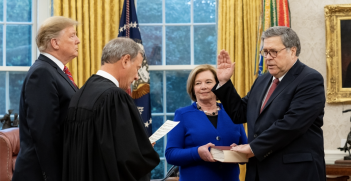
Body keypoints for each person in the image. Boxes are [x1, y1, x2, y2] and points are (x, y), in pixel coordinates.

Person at [213, 26, 326, 181]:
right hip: (258, 172)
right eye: (265, 52)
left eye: (273, 51)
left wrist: (252, 148)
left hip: (295, 173)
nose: (267, 57)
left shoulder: (310, 79)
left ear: (292, 51)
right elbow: (239, 113)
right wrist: (224, 82)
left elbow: (292, 124)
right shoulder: (262, 80)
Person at [62, 37, 160, 181]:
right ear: (125, 60)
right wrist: (143, 149)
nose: (136, 77)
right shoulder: (114, 97)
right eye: (138, 68)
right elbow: (128, 159)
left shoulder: (80, 94)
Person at [12, 16, 80, 181]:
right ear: (55, 43)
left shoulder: (56, 71)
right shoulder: (42, 73)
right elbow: (45, 134)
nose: (78, 41)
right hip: (40, 174)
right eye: (72, 35)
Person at [165, 64, 248, 181]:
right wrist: (197, 152)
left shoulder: (233, 112)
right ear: (193, 88)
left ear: (218, 86)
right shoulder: (182, 115)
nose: (203, 87)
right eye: (198, 83)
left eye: (208, 82)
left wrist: (238, 151)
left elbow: (247, 153)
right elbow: (171, 155)